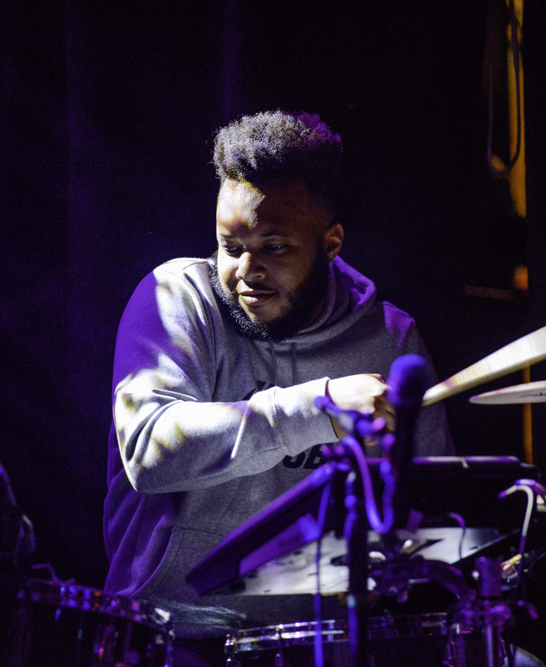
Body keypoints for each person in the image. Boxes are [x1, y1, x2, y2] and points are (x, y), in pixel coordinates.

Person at [103, 110, 454, 664]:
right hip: (177, 636)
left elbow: (430, 508)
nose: (245, 270)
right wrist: (323, 406)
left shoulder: (389, 336)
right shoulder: (175, 298)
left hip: (327, 642)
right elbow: (150, 450)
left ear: (331, 242)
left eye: (274, 247)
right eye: (231, 245)